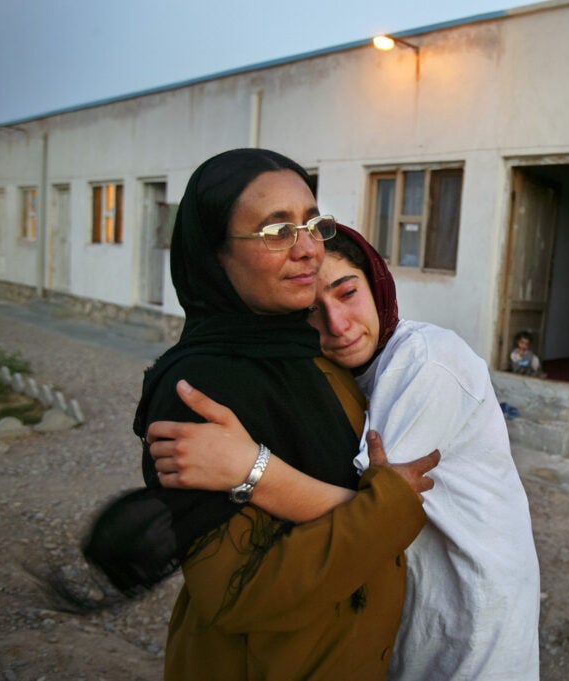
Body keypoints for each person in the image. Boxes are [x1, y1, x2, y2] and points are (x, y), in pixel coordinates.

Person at [82, 148, 436, 681]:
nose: (310, 250)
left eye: (313, 223)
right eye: (276, 233)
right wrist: (386, 509)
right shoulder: (200, 389)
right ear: (214, 255)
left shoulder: (312, 352)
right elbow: (238, 590)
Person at [148, 225, 542, 680]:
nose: (337, 325)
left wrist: (246, 467)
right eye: (311, 311)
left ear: (376, 284)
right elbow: (375, 514)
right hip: (412, 614)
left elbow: (375, 506)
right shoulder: (335, 379)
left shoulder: (428, 361)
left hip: (470, 615)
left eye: (347, 292)